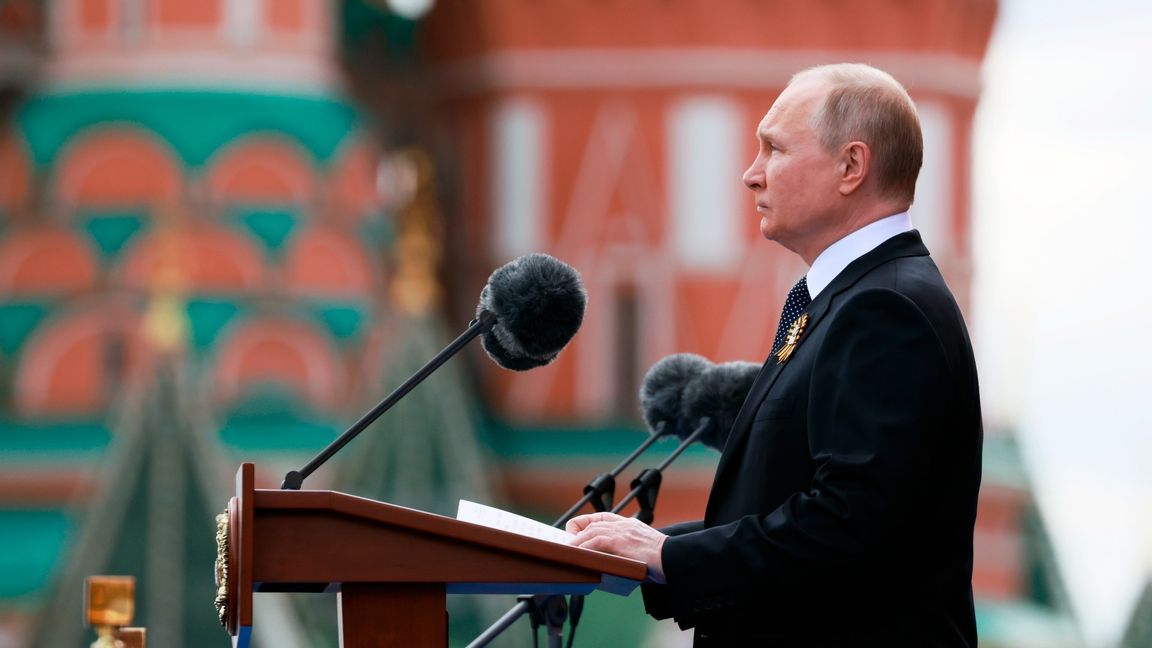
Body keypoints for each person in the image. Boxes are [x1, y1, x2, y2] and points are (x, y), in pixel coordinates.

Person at [567, 63, 983, 646]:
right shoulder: (850, 298)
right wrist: (649, 550)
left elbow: (845, 524)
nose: (750, 174)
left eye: (774, 149)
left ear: (851, 167)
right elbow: (793, 505)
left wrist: (668, 555)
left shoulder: (887, 310)